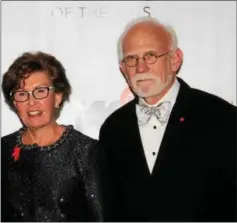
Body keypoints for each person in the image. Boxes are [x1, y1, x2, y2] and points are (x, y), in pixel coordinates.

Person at [99, 16, 236, 222]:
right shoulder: (113, 129)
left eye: (150, 56)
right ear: (122, 68)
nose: (141, 68)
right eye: (131, 59)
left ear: (175, 59)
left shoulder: (222, 118)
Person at [1, 51, 104, 222]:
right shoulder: (3, 149)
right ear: (14, 103)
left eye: (40, 91)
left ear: (57, 97)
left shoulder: (86, 152)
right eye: (21, 94)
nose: (31, 102)